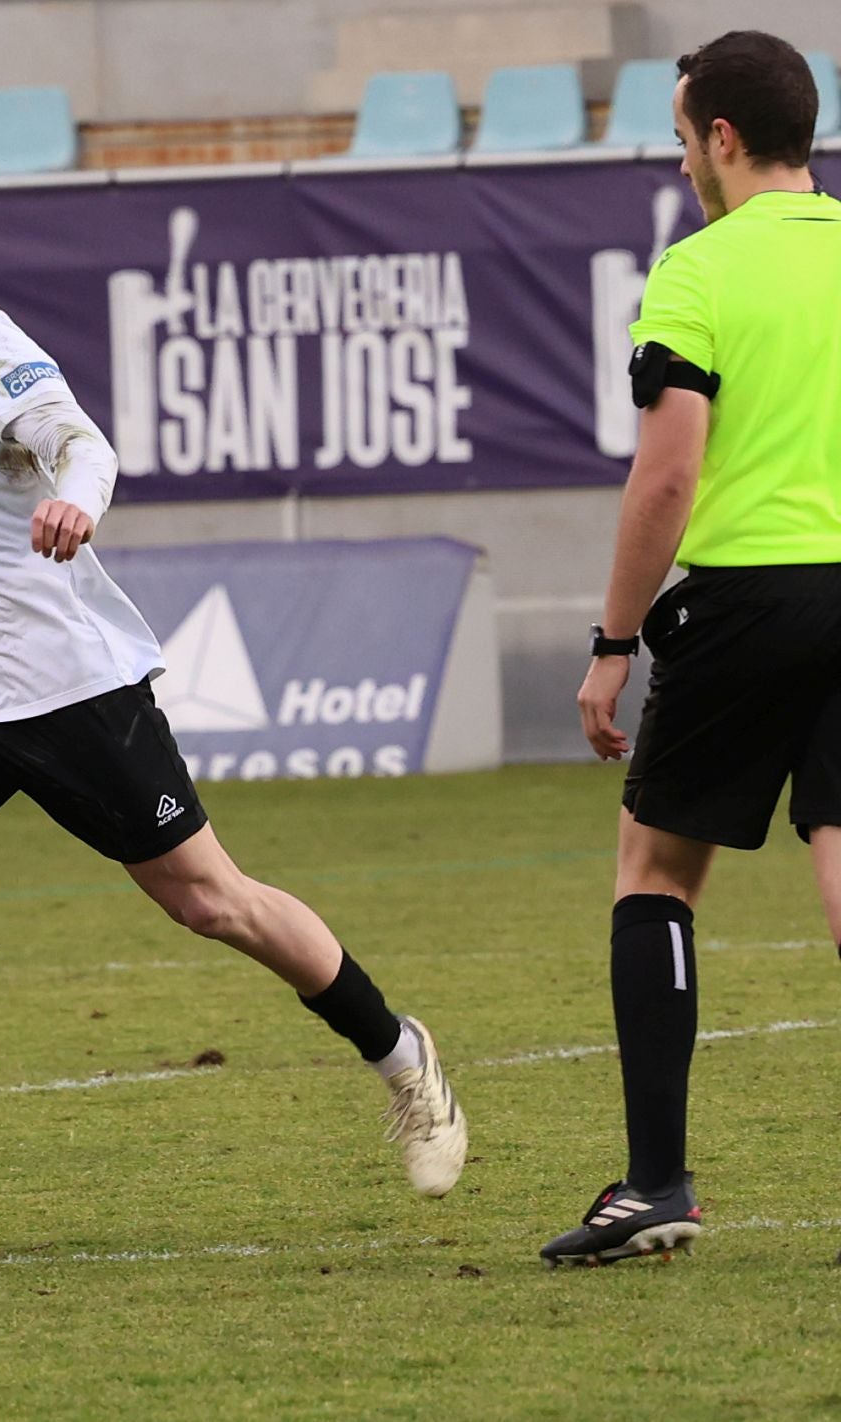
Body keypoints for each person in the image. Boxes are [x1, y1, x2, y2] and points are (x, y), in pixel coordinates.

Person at [0, 140, 467, 1235]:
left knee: (211, 903)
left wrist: (76, 503)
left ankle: (401, 1056)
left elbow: (79, 444)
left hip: (67, 688)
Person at [542, 31, 841, 1268]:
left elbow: (668, 476)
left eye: (680, 138)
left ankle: (656, 1181)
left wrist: (614, 641)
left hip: (753, 604)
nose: (680, 164)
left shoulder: (700, 271)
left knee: (655, 872)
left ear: (721, 138)